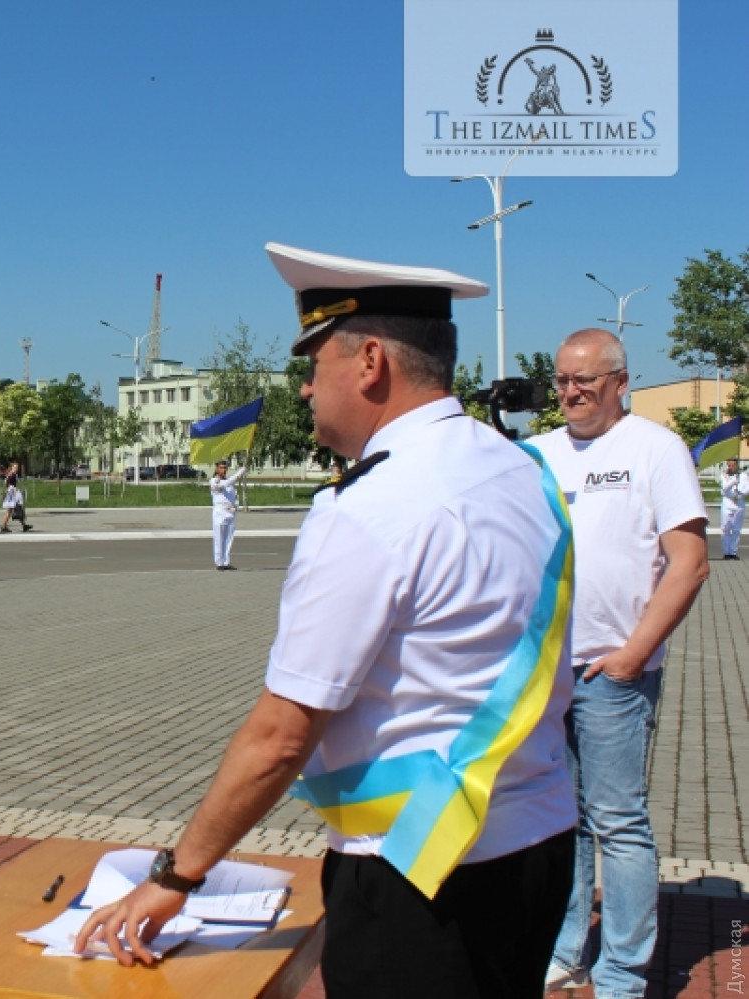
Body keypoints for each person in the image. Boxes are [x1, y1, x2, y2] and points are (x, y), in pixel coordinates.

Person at [78, 243, 577, 998]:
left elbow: (281, 737)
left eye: (314, 363)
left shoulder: (369, 509)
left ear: (370, 361)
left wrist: (175, 876)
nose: (307, 388)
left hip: (420, 871)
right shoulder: (523, 470)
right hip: (537, 845)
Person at [534, 329, 709, 997]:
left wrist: (632, 656)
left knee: (618, 823)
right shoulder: (540, 453)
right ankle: (565, 950)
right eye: (562, 380)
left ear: (621, 382)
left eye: (585, 380)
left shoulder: (655, 449)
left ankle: (623, 972)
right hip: (546, 675)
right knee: (562, 822)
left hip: (613, 677)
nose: (570, 392)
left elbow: (689, 564)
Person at [208, 458, 247, 570]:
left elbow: (233, 495)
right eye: (221, 468)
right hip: (220, 512)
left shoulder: (229, 481)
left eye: (225, 468)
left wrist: (236, 506)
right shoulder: (214, 481)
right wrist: (240, 472)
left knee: (228, 538)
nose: (224, 470)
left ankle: (226, 561)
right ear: (217, 469)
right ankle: (219, 562)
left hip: (230, 511)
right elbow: (225, 484)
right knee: (219, 538)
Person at [720, 458, 744, 561]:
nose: (730, 467)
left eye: (733, 465)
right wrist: (733, 482)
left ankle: (733, 552)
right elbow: (724, 489)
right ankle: (726, 552)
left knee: (736, 529)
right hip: (727, 503)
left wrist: (740, 494)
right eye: (729, 465)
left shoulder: (743, 475)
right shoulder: (724, 475)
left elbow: (746, 488)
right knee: (726, 528)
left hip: (739, 504)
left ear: (737, 465)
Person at [0, 463, 32, 532]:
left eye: (17, 467)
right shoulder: (12, 474)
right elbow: (8, 483)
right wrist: (13, 488)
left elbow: (7, 483)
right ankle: (3, 527)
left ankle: (24, 525)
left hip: (11, 494)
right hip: (11, 495)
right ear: (12, 467)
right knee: (10, 511)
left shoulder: (11, 474)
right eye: (15, 467)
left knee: (17, 510)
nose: (16, 469)